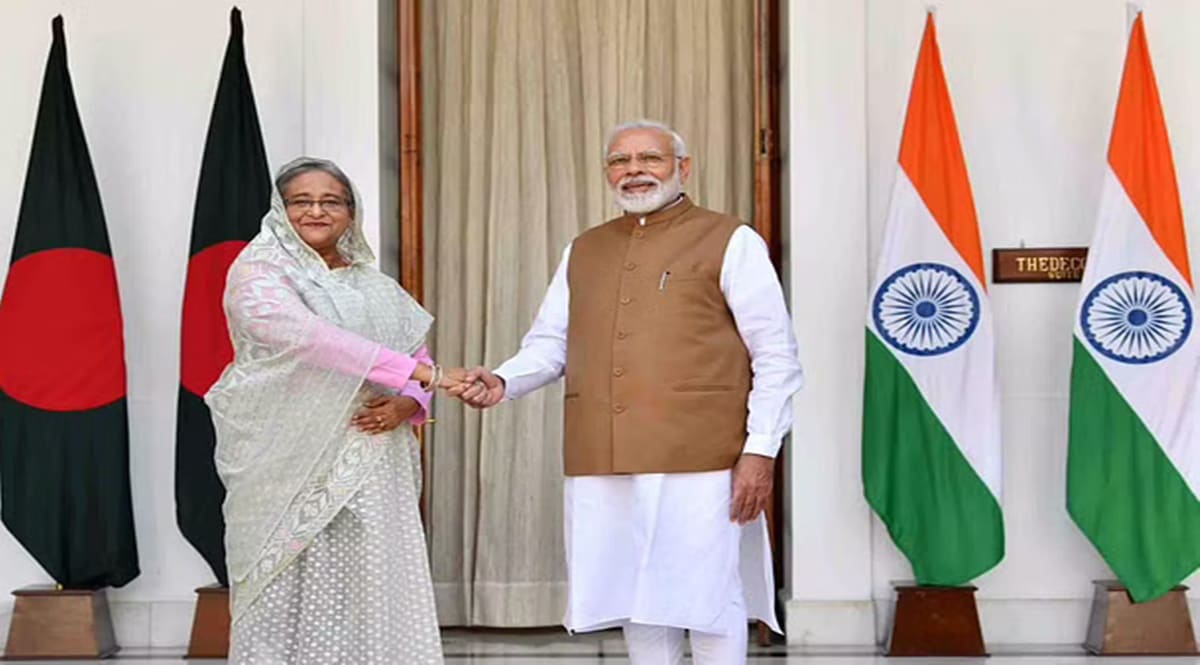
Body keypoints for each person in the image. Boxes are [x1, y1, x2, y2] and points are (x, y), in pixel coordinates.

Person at [454, 121, 804, 665]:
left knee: (707, 594)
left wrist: (760, 450)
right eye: (620, 161)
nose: (634, 171)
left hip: (701, 453)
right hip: (604, 451)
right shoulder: (585, 248)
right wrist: (503, 381)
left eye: (649, 159)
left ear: (682, 168)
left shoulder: (731, 239)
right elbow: (550, 345)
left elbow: (776, 355)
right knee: (633, 593)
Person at [207, 157, 460, 664]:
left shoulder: (374, 283)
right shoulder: (259, 272)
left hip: (372, 455)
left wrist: (411, 400)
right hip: (285, 459)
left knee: (372, 574)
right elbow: (307, 338)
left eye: (332, 201)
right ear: (281, 209)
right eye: (302, 201)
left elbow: (418, 355)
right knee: (288, 575)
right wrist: (422, 377)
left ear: (351, 211)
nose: (317, 210)